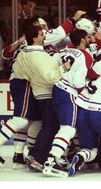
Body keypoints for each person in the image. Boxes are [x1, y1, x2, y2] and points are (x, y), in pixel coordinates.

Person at [12, 25, 71, 172]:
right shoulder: (38, 56)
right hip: (47, 93)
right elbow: (50, 77)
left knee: (47, 126)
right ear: (34, 38)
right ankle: (38, 158)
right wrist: (64, 67)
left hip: (39, 93)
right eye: (41, 34)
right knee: (51, 126)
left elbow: (19, 71)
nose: (44, 36)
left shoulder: (24, 53)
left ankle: (34, 155)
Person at [42, 28, 94, 177]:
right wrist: (85, 91)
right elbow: (78, 81)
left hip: (57, 89)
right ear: (83, 40)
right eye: (88, 37)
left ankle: (59, 157)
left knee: (64, 127)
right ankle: (52, 160)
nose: (90, 39)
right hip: (68, 93)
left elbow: (54, 60)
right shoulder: (86, 56)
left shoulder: (66, 50)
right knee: (69, 129)